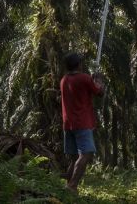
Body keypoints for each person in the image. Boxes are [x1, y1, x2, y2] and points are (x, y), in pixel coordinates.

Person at [60, 52, 104, 194]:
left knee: (74, 158)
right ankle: (72, 186)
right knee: (86, 154)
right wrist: (98, 81)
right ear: (79, 64)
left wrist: (92, 82)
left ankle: (67, 187)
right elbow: (99, 92)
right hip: (82, 123)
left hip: (68, 124)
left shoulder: (64, 80)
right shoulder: (84, 78)